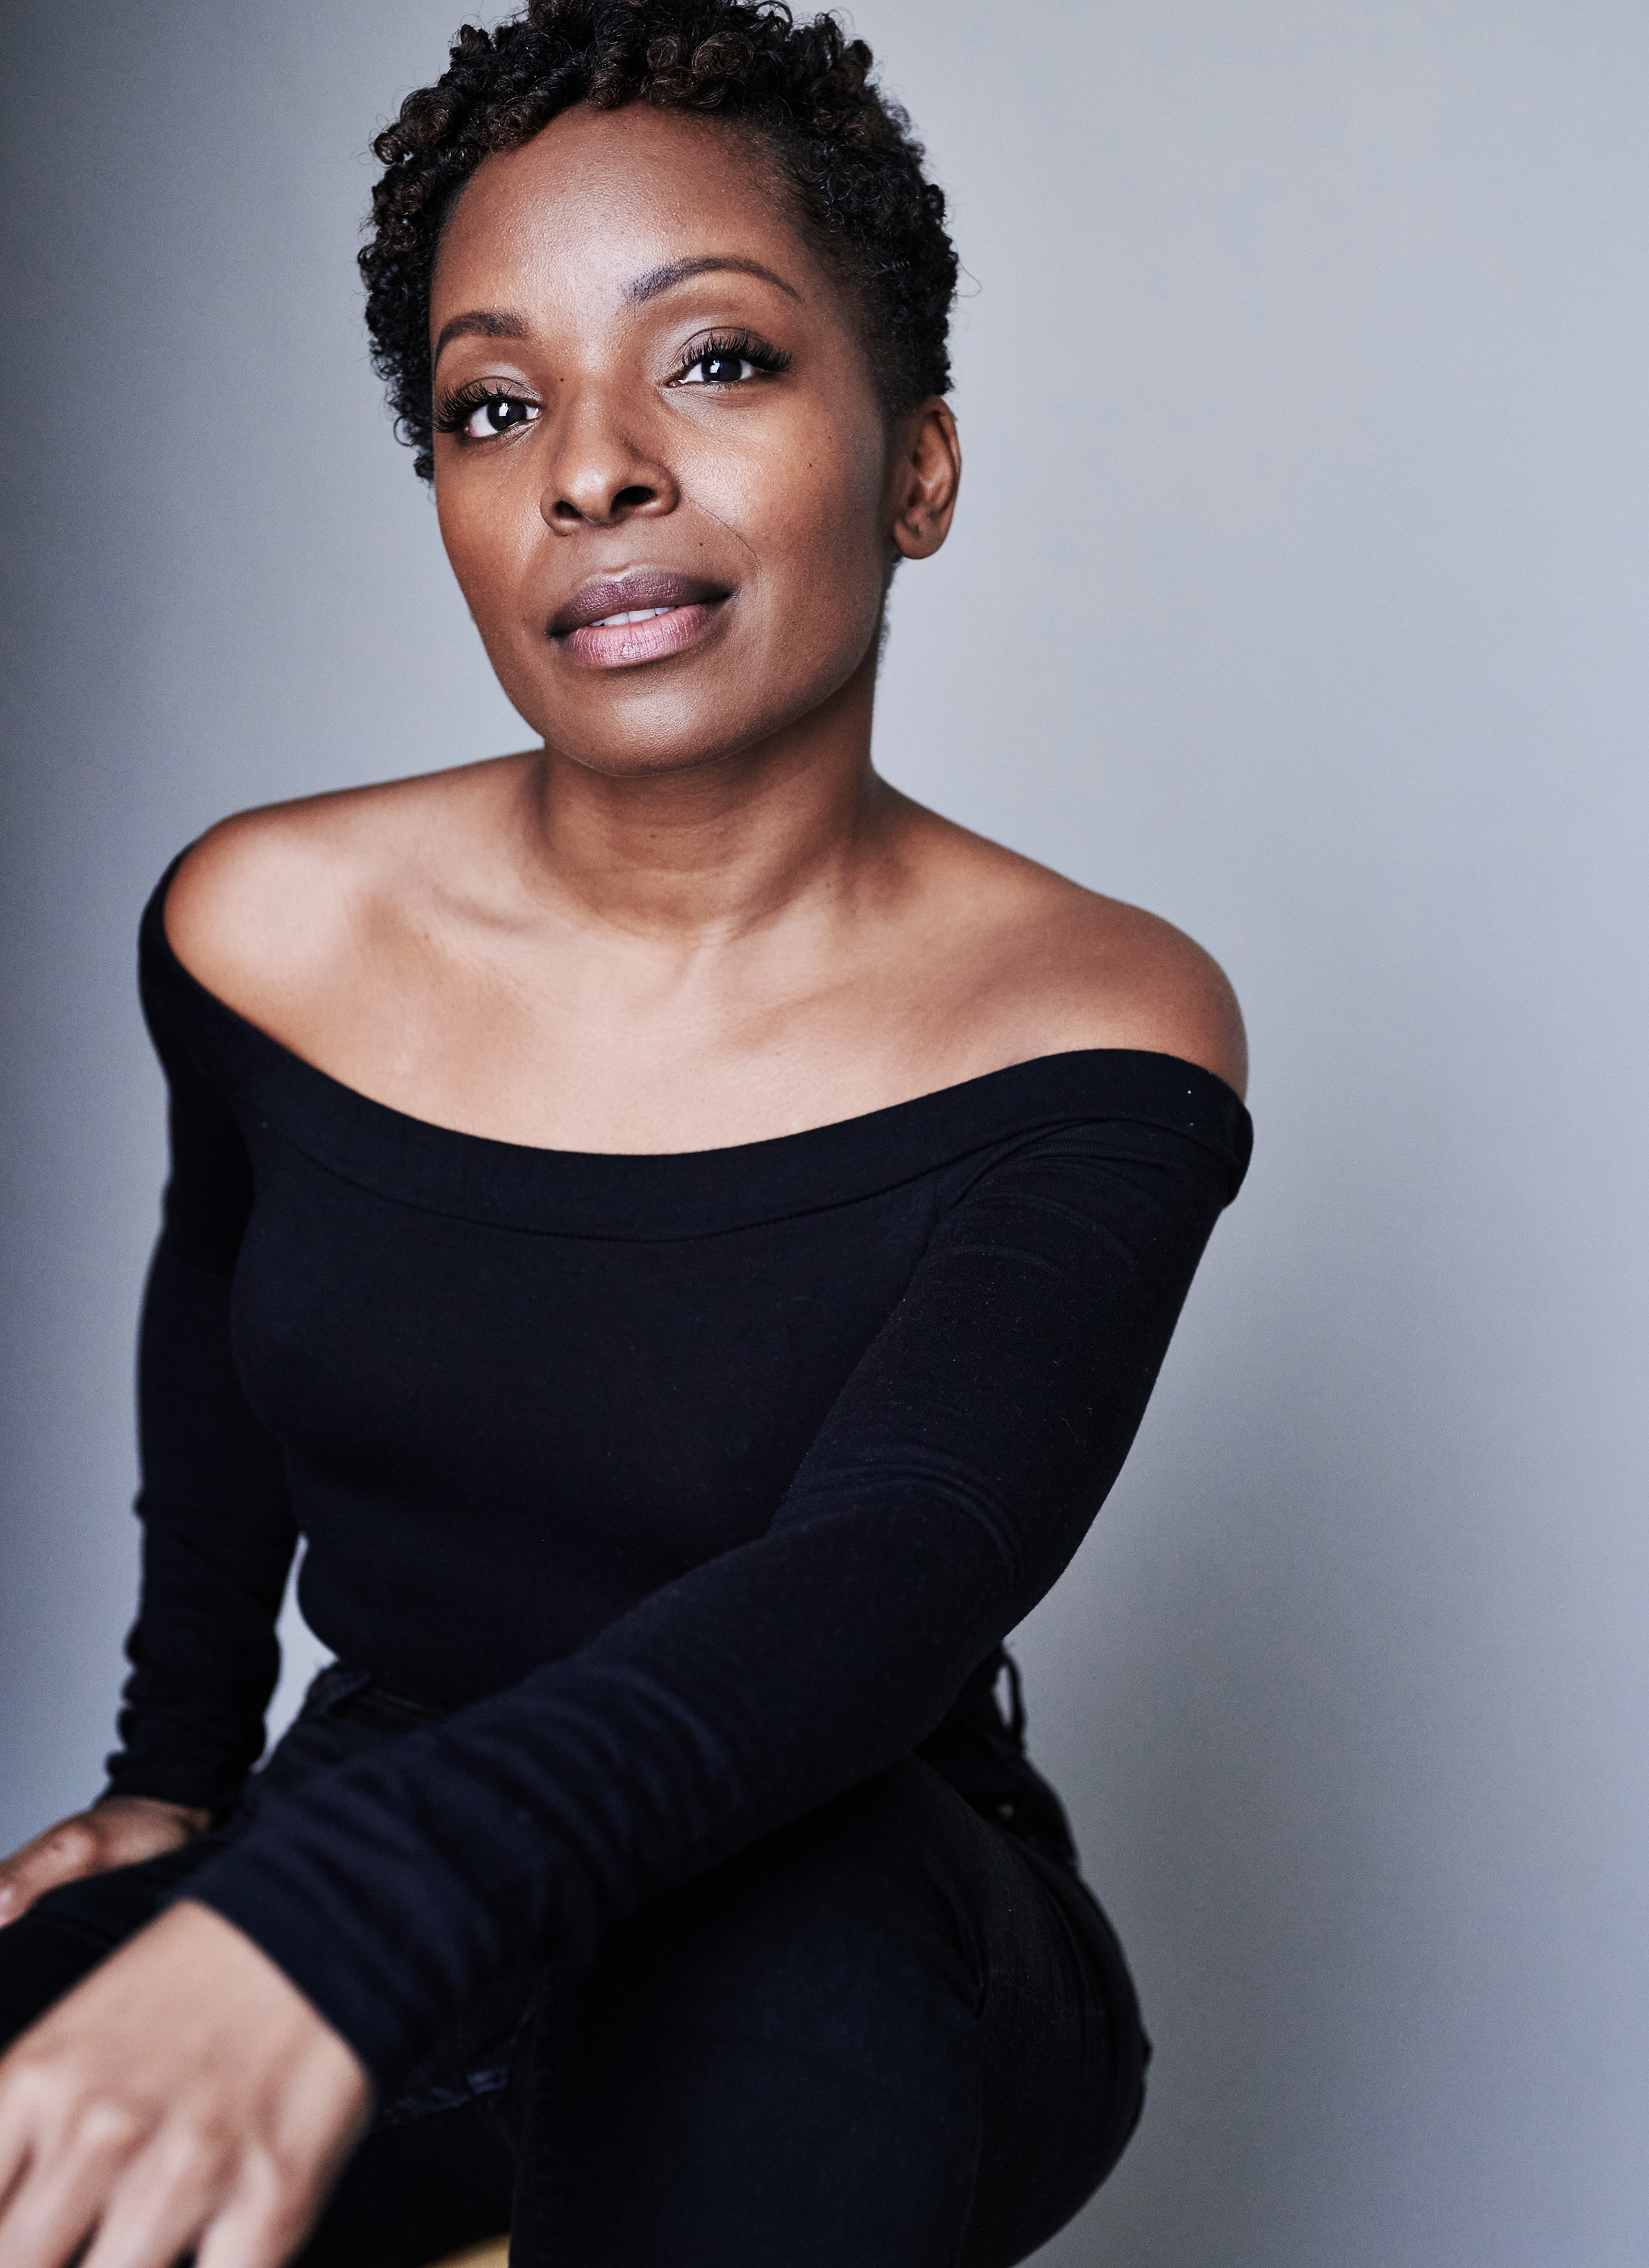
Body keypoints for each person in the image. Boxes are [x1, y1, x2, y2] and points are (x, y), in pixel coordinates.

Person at [0, 3, 1250, 2263]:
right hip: (376, 1827)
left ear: (919, 470)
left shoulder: (1098, 1022)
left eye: (718, 361)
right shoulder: (266, 922)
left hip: (863, 1905)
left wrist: (333, 1919)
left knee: (781, 1918)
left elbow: (893, 1566)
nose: (592, 469)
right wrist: (173, 1779)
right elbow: (224, 1313)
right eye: (497, 404)